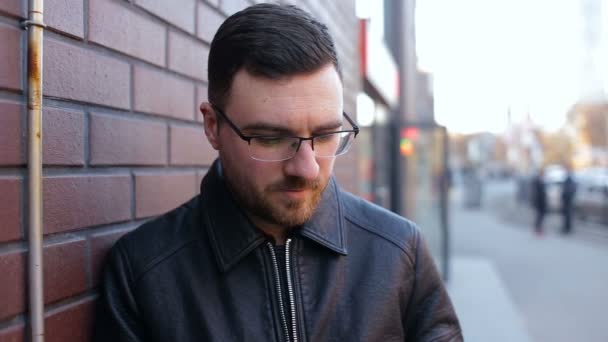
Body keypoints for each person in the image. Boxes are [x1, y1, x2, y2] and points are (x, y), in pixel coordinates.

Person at [94, 4, 462, 341]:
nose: (307, 167)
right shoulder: (143, 272)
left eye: (325, 134)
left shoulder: (398, 250)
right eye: (271, 138)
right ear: (212, 126)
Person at [561, 167, 577, 234]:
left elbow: (569, 190)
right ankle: (566, 227)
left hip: (568, 200)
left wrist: (566, 196)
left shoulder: (569, 180)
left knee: (568, 215)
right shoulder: (568, 180)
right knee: (566, 215)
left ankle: (567, 228)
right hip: (567, 200)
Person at [531, 168, 547, 235]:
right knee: (539, 215)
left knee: (540, 215)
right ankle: (538, 228)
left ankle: (538, 228)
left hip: (541, 201)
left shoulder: (540, 180)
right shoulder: (537, 180)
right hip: (539, 202)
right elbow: (537, 193)